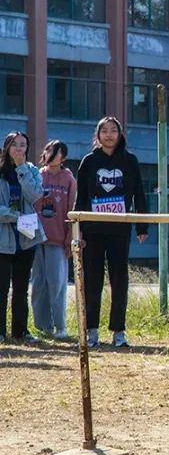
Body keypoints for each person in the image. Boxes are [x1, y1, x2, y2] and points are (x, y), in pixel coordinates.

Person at [74, 117, 149, 348]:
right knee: (92, 279)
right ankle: (91, 331)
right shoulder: (89, 161)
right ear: (97, 135)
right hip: (92, 229)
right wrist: (79, 230)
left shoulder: (130, 160)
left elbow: (139, 193)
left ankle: (118, 332)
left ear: (120, 134)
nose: (108, 135)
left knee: (119, 279)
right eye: (104, 131)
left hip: (120, 228)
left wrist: (142, 226)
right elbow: (81, 197)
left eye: (113, 130)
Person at [0, 132, 45, 343]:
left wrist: (21, 168)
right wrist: (14, 216)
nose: (19, 149)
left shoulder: (32, 171)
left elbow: (35, 196)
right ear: (6, 147)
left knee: (21, 288)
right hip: (3, 237)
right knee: (1, 287)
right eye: (15, 145)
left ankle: (20, 331)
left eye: (23, 145)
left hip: (27, 237)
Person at [32, 139, 76, 339]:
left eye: (57, 151)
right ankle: (43, 326)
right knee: (39, 284)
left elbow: (72, 210)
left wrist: (70, 237)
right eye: (49, 149)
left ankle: (61, 326)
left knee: (57, 283)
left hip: (58, 239)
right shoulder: (38, 175)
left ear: (63, 157)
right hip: (35, 239)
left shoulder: (68, 179)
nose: (52, 154)